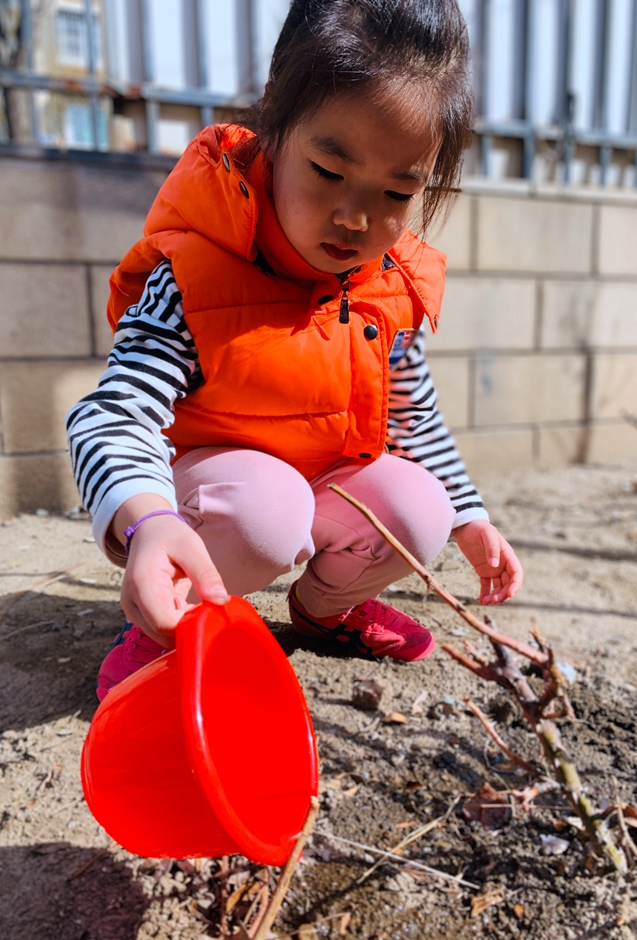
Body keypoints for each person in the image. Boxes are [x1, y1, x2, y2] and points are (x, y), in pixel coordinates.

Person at [67, 0, 523, 702]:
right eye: (328, 171)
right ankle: (167, 624)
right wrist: (148, 522)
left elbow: (415, 416)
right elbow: (110, 415)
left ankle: (324, 610)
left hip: (317, 480)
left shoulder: (387, 289)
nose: (355, 218)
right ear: (275, 122)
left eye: (397, 190)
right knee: (266, 509)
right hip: (214, 497)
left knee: (420, 506)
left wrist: (470, 516)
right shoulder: (196, 275)